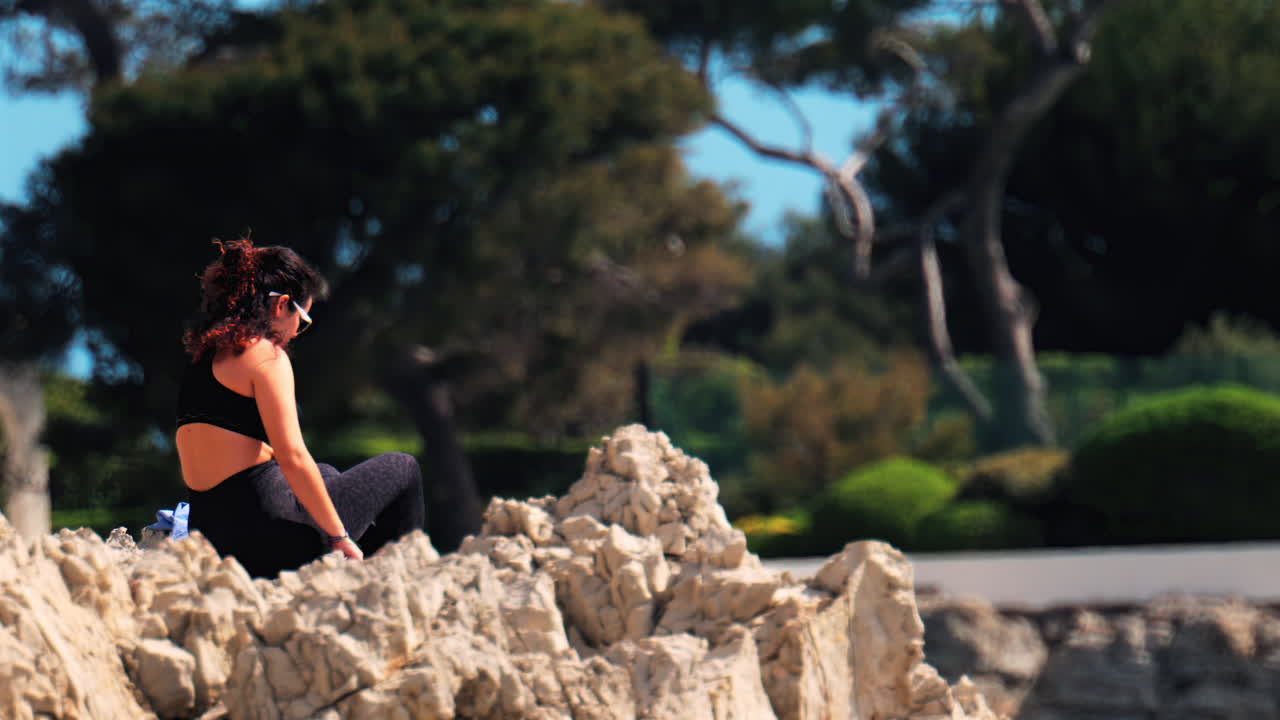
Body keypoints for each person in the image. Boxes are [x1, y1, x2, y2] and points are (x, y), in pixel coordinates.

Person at [174, 237, 425, 577]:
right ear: (282, 306)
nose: (297, 333)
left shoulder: (204, 358)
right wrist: (339, 536)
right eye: (303, 320)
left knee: (325, 474)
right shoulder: (266, 355)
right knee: (403, 466)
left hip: (213, 536)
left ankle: (364, 565)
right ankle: (399, 578)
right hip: (271, 538)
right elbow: (292, 456)